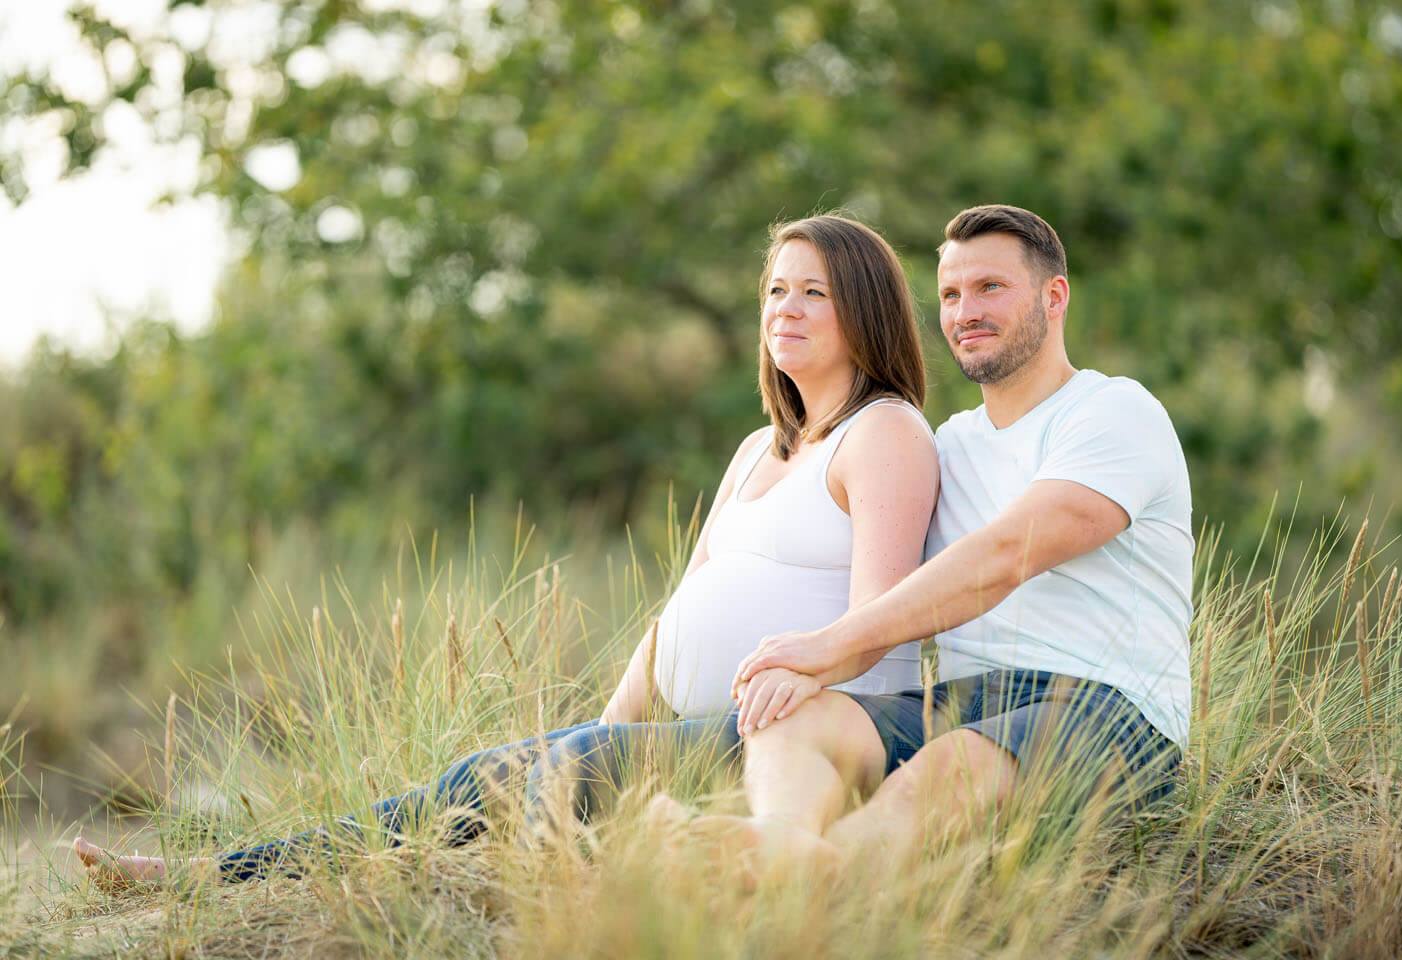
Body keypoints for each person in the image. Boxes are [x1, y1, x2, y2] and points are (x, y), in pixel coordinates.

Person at [73, 213, 940, 888]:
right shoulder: (757, 448)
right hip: (689, 724)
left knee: (537, 783)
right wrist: (607, 729)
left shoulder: (884, 434)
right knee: (473, 775)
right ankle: (215, 874)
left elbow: (882, 625)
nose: (784, 310)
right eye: (775, 291)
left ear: (863, 309)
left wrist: (777, 713)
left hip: (787, 738)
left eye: (813, 294)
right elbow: (681, 608)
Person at [656, 203, 1193, 870]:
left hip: (1103, 707)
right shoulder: (950, 445)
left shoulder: (1114, 411)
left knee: (950, 766)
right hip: (962, 704)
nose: (966, 310)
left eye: (990, 287)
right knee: (797, 719)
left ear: (1055, 297)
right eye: (949, 294)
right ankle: (779, 838)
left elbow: (1004, 557)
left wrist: (827, 648)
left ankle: (812, 869)